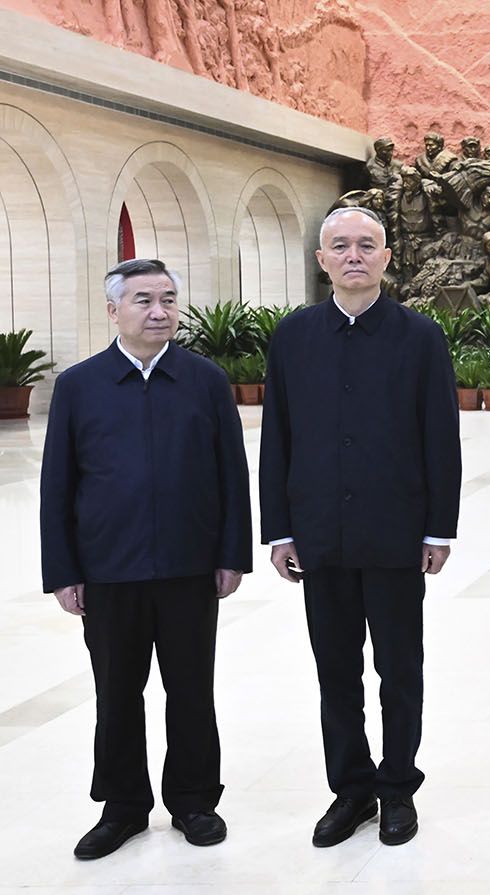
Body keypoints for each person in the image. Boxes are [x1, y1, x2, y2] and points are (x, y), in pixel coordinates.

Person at [259, 206, 461, 849]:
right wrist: (279, 530)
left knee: (400, 668)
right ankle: (350, 790)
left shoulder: (420, 337)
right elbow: (278, 439)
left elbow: (441, 439)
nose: (353, 255)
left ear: (386, 257)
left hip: (396, 533)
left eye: (366, 245)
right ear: (322, 262)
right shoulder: (293, 337)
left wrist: (438, 530)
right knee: (336, 670)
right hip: (320, 534)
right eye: (340, 246)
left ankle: (398, 786)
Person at [40, 259, 250, 860]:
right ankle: (124, 806)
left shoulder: (205, 380)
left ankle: (193, 799)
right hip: (109, 570)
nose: (159, 311)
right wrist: (64, 571)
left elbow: (231, 475)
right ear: (114, 310)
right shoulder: (80, 385)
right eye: (142, 300)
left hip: (189, 567)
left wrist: (231, 553)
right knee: (116, 692)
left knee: (190, 689)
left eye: (167, 299)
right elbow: (58, 484)